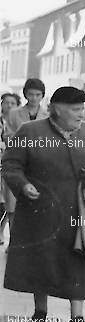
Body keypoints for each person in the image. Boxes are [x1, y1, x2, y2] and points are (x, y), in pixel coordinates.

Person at [2, 86, 85, 322]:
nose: (81, 114)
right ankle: (40, 311)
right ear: (57, 110)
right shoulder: (30, 131)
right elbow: (10, 164)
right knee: (42, 262)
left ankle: (77, 317)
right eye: (75, 109)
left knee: (79, 261)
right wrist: (23, 185)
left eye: (82, 109)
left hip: (80, 212)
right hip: (40, 213)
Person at [0, 92, 20, 247]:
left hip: (11, 165)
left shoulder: (17, 122)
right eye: (6, 102)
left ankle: (8, 236)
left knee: (9, 203)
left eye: (13, 103)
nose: (9, 106)